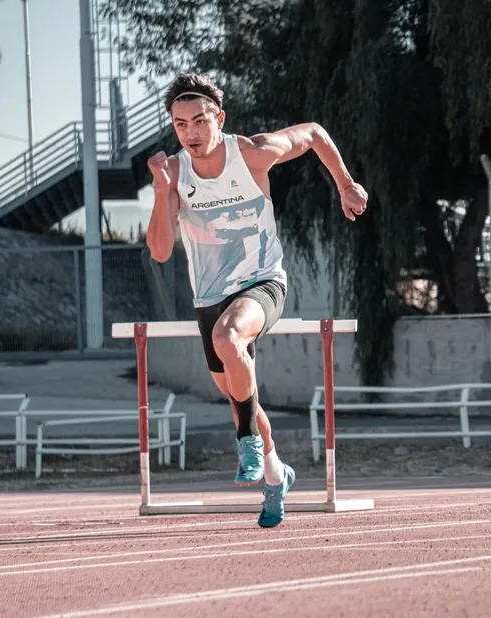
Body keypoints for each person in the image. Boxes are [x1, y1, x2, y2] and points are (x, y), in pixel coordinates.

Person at [145, 73, 369, 526]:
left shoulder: (251, 153)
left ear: (219, 119)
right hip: (209, 295)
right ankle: (275, 473)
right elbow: (161, 251)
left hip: (262, 281)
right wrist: (161, 191)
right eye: (181, 124)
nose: (192, 133)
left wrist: (345, 184)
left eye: (201, 121)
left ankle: (245, 441)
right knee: (239, 392)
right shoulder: (174, 172)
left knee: (231, 340)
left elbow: (314, 134)